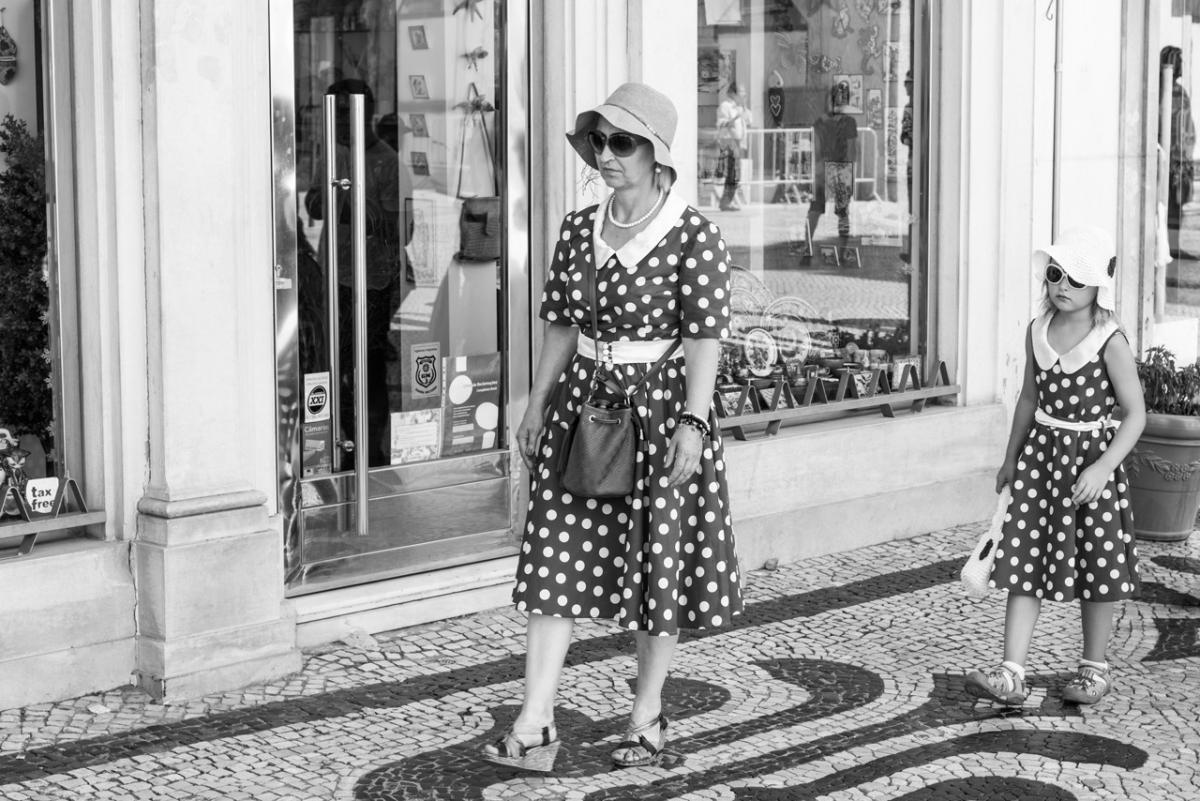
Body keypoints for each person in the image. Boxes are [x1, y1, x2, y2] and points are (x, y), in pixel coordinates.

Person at [480, 82, 743, 772]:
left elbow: (705, 337)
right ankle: (535, 722)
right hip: (582, 406)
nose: (606, 154)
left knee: (659, 569)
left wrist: (694, 421)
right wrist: (536, 404)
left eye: (622, 142)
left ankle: (647, 715)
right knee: (554, 558)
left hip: (661, 413)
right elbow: (562, 324)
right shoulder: (577, 229)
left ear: (656, 154)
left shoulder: (693, 234)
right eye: (598, 140)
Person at [964, 226, 1145, 707]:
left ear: (1098, 287)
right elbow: (1028, 398)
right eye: (1055, 274)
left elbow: (1136, 414)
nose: (1063, 286)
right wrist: (1010, 458)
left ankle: (1094, 668)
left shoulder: (1110, 341)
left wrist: (1103, 468)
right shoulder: (1036, 331)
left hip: (1089, 468)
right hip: (1040, 464)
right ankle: (1011, 673)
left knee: (1096, 565)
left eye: (1076, 279)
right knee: (1023, 561)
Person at [304, 79, 408, 467]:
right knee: (331, 363)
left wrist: (356, 209)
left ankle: (372, 453)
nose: (338, 123)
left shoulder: (387, 162)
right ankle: (342, 442)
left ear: (366, 113)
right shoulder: (334, 153)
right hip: (334, 275)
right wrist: (336, 199)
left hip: (373, 281)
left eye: (344, 115)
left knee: (369, 366)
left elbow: (401, 230)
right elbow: (314, 204)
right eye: (334, 115)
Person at [808, 81, 858, 246]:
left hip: (823, 167)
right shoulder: (849, 122)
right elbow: (852, 151)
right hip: (842, 169)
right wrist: (851, 176)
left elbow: (816, 150)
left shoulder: (819, 123)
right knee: (843, 213)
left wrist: (817, 169)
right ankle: (842, 251)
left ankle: (807, 247)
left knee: (815, 210)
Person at [1161, 46, 1196, 260]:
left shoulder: (1178, 92)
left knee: (1176, 207)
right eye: (1179, 61)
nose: (1182, 66)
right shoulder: (1164, 91)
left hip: (1179, 160)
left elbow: (1186, 127)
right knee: (1168, 207)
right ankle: (1170, 247)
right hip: (1170, 160)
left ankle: (1173, 247)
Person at [716, 82, 751, 211]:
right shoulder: (725, 106)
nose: (744, 94)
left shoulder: (739, 107)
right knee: (733, 172)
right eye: (742, 92)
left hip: (739, 142)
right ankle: (726, 202)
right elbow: (722, 123)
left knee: (735, 173)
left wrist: (744, 107)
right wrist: (735, 117)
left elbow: (749, 120)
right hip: (729, 141)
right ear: (733, 93)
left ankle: (727, 201)